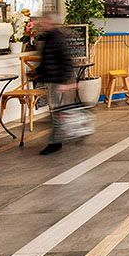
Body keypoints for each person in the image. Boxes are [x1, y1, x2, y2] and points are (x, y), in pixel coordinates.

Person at [35, 16, 77, 155]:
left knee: (56, 112)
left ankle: (55, 142)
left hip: (57, 81)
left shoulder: (56, 39)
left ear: (50, 22)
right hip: (53, 79)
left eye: (44, 22)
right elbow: (47, 60)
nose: (41, 24)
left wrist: (66, 82)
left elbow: (66, 60)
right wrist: (37, 72)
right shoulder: (50, 37)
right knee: (56, 111)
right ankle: (58, 139)